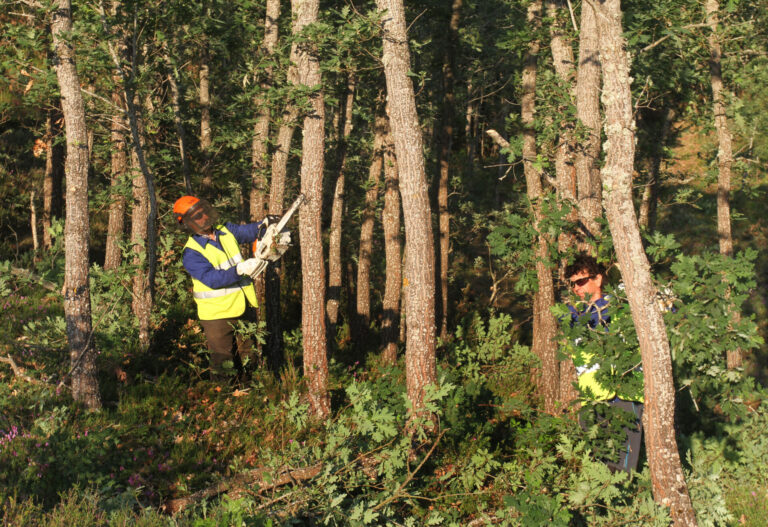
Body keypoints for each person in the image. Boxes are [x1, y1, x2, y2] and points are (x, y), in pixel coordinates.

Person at [173, 195, 272, 382]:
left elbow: (248, 231)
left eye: (203, 212)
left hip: (242, 305)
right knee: (223, 361)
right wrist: (240, 269)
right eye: (197, 216)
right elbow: (212, 279)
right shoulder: (191, 252)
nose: (203, 217)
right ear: (187, 223)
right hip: (216, 315)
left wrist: (265, 226)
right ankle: (223, 398)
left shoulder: (225, 231)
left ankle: (249, 395)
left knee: (248, 355)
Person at [565, 253, 644, 474]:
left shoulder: (622, 307)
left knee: (622, 467)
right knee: (595, 465)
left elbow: (605, 315)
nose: (576, 288)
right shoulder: (573, 316)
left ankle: (624, 506)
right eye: (572, 284)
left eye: (581, 281)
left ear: (598, 279)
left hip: (625, 396)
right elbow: (590, 322)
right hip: (592, 398)